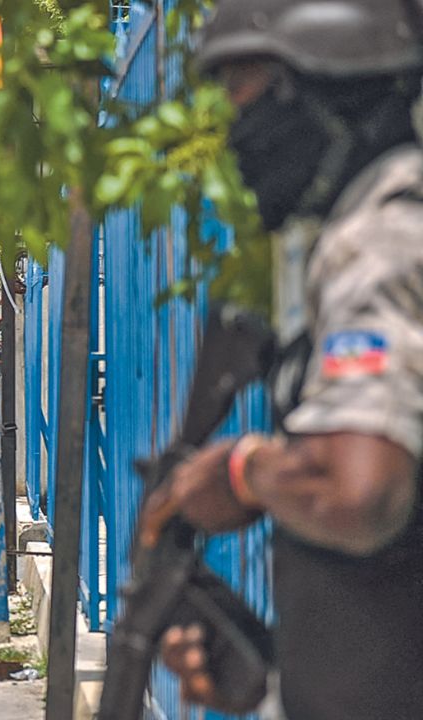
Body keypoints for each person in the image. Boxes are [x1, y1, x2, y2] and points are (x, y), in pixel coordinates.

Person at [148, 2, 423, 717]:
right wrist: (270, 674)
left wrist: (240, 472)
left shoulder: (382, 236)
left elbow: (360, 492)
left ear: (318, 93)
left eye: (242, 92)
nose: (234, 130)